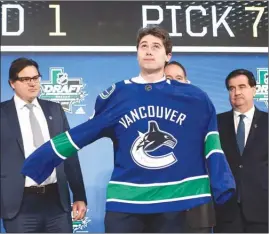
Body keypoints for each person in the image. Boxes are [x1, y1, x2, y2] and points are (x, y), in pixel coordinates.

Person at [21, 26, 235, 233]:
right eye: (143, 46)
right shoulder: (117, 94)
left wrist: (221, 182)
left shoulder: (194, 98)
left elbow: (212, 142)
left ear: (168, 55)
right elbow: (84, 133)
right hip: (127, 201)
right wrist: (41, 159)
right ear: (137, 54)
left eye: (156, 46)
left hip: (174, 200)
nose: (149, 50)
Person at [0, 58, 87, 233]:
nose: (32, 83)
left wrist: (79, 195)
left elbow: (69, 155)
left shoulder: (54, 110)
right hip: (19, 205)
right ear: (12, 83)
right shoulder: (2, 113)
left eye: (36, 78)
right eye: (25, 79)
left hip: (56, 203)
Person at [164, 61, 216, 233]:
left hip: (196, 210)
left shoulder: (203, 114)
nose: (175, 82)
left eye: (179, 78)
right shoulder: (146, 116)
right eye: (168, 78)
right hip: (160, 212)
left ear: (188, 82)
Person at [214, 69, 268, 233]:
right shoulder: (216, 123)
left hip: (262, 211)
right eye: (232, 88)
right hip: (225, 211)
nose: (236, 92)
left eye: (242, 86)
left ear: (254, 89)